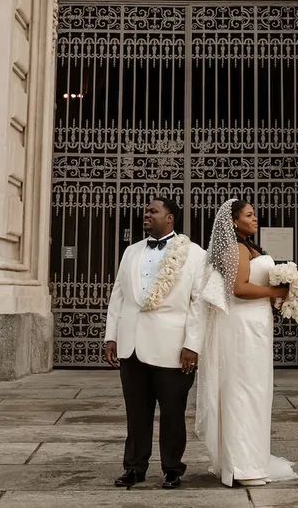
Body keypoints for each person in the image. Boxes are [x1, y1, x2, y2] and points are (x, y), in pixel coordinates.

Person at [103, 195, 207, 490]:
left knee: (173, 412)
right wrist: (112, 336)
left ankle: (172, 469)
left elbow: (198, 304)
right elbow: (118, 296)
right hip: (131, 345)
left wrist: (193, 344)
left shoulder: (196, 255)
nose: (146, 214)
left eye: (153, 211)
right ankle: (134, 467)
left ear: (170, 217)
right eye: (146, 210)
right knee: (136, 412)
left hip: (173, 348)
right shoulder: (131, 252)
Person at [195, 198, 298, 487]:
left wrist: (282, 295)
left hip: (257, 324)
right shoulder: (236, 248)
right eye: (249, 215)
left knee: (257, 390)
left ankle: (253, 457)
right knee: (243, 390)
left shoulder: (252, 247)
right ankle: (241, 465)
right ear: (233, 221)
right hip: (241, 327)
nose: (255, 219)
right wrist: (273, 291)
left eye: (255, 214)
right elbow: (238, 288)